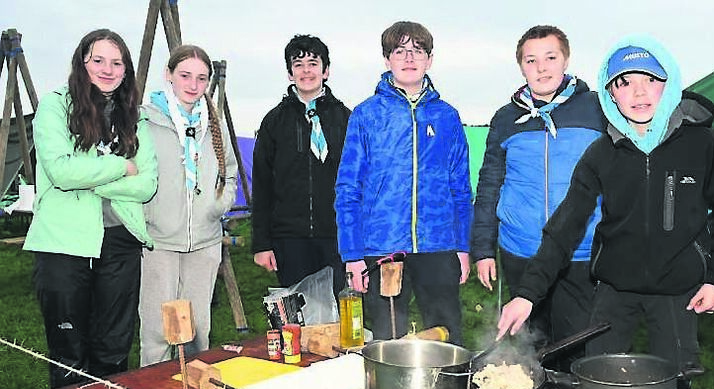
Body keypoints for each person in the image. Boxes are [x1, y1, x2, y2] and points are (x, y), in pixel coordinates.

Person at [497, 35, 714, 388]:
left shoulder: (702, 144)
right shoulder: (601, 154)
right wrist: (526, 294)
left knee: (673, 385)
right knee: (598, 379)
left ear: (668, 83)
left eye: (650, 80)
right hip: (615, 286)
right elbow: (564, 227)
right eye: (624, 83)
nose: (639, 93)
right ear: (610, 93)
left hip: (678, 289)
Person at [23, 29, 157, 389]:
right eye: (98, 60)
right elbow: (61, 172)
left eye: (117, 63)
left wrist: (95, 174)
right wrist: (121, 167)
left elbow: (148, 183)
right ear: (82, 63)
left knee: (114, 354)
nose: (108, 70)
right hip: (64, 246)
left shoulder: (135, 115)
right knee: (68, 357)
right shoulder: (54, 106)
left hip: (119, 244)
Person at [471, 25, 605, 363]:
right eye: (531, 60)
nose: (541, 67)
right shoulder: (505, 119)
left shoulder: (597, 109)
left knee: (578, 345)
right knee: (531, 347)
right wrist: (483, 249)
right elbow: (489, 184)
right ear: (521, 66)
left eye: (550, 57)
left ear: (566, 60)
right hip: (521, 249)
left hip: (581, 250)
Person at [335, 21, 472, 345]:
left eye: (417, 51)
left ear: (430, 59)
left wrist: (463, 247)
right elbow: (348, 188)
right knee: (387, 341)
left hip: (438, 245)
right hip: (382, 247)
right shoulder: (365, 115)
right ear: (387, 60)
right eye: (400, 51)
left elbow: (461, 188)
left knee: (446, 337)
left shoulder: (447, 116)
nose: (409, 58)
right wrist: (352, 253)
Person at [139, 44, 238, 366]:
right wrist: (146, 216)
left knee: (197, 330)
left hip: (205, 240)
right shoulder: (145, 120)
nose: (193, 85)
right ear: (168, 75)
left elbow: (231, 173)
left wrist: (219, 204)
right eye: (185, 76)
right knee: (157, 331)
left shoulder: (214, 122)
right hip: (159, 241)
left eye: (201, 78)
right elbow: (129, 174)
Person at [251, 34, 350, 294]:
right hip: (289, 239)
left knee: (341, 315)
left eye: (313, 63)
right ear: (289, 74)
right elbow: (261, 184)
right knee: (299, 318)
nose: (306, 71)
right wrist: (262, 243)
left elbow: (358, 181)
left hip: (337, 236)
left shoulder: (346, 119)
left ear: (326, 70)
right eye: (298, 64)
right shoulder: (273, 122)